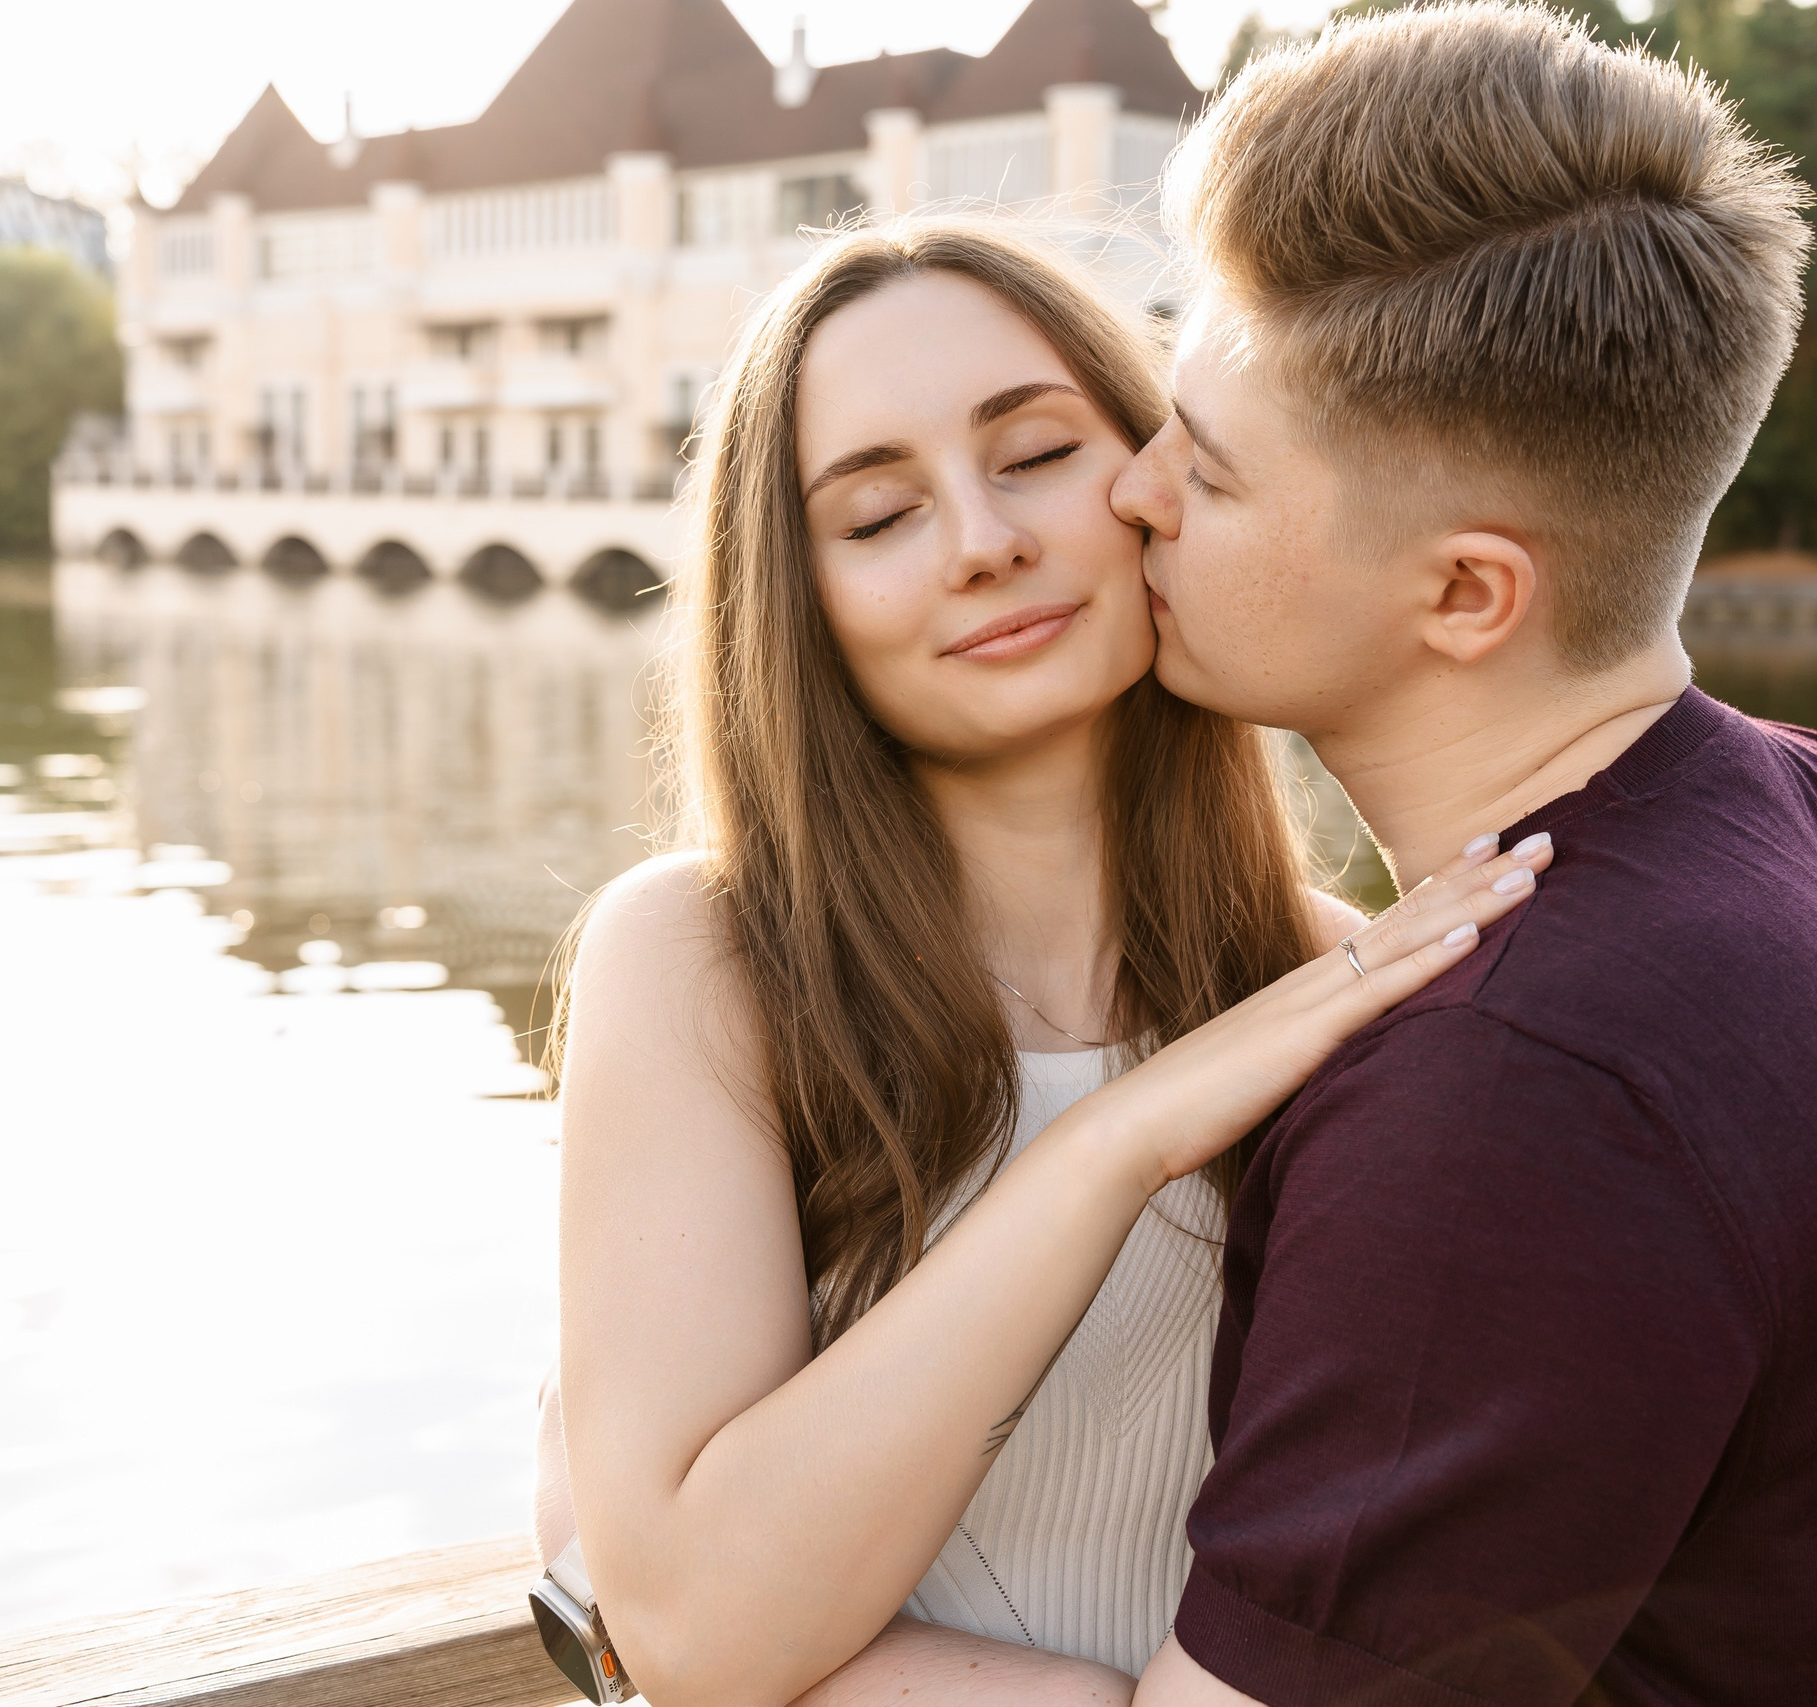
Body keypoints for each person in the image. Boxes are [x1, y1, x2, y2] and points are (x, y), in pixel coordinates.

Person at [1096, 7, 1817, 1703]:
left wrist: (745, 1649)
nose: (1132, 494)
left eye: (1206, 474)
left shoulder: (1504, 1085)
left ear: (1464, 594)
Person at [545, 221, 1555, 1707]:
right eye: (879, 514)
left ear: (1158, 477)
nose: (982, 542)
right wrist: (1115, 1146)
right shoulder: (703, 963)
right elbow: (692, 1636)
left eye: (1032, 454)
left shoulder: (1338, 982)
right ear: (797, 605)